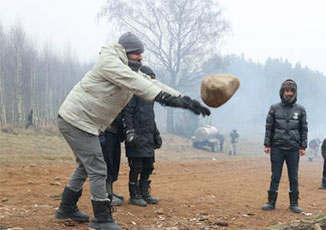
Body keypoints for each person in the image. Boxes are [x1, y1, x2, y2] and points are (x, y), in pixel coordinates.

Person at [54, 32, 210, 230]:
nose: (141, 57)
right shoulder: (109, 63)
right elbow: (135, 82)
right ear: (125, 52)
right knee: (98, 168)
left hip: (85, 122)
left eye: (141, 53)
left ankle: (66, 208)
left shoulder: (128, 68)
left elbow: (151, 82)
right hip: (76, 120)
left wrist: (185, 101)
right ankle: (102, 218)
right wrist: (165, 98)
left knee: (85, 166)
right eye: (137, 53)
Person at [261, 79, 308, 214]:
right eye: (286, 91)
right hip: (277, 147)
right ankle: (271, 202)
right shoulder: (274, 108)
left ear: (295, 93)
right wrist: (267, 144)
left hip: (293, 148)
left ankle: (294, 204)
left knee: (293, 177)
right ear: (282, 92)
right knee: (275, 176)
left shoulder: (301, 109)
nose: (289, 93)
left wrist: (302, 146)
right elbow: (269, 127)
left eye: (291, 91)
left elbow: (303, 129)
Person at [121, 65, 162, 207]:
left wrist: (156, 134)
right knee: (136, 167)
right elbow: (127, 113)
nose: (151, 81)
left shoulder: (150, 98)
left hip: (148, 138)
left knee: (148, 167)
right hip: (136, 138)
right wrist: (130, 131)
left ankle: (145, 193)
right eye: (149, 78)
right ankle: (134, 195)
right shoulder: (133, 94)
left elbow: (151, 118)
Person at [99, 113, 124, 206]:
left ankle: (110, 191)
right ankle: (105, 194)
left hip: (114, 131)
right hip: (105, 131)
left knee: (114, 162)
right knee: (107, 162)